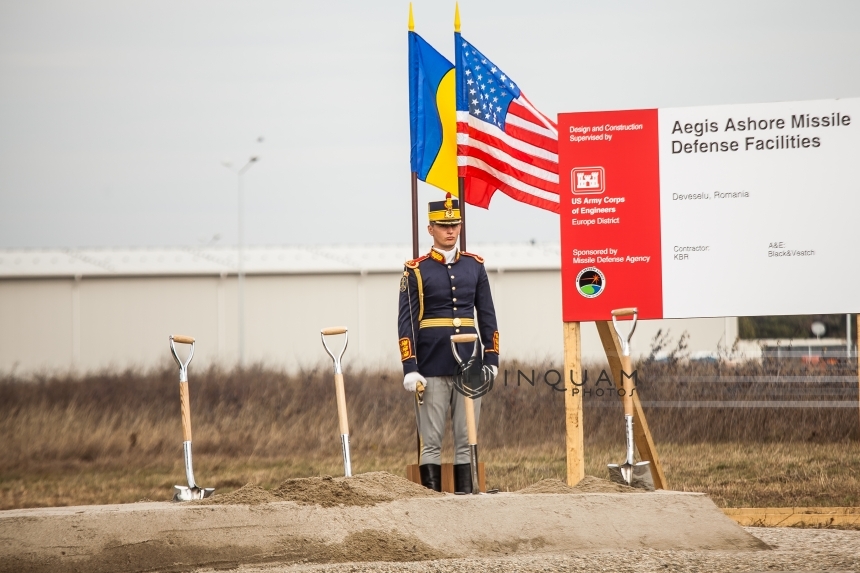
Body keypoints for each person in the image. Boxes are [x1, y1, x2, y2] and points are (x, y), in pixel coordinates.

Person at [397, 193, 499, 493]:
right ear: (431, 229)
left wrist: (491, 360)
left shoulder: (475, 266)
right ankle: (432, 502)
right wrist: (410, 367)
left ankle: (466, 499)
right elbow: (406, 322)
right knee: (431, 441)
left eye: (455, 224)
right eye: (443, 226)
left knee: (467, 439)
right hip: (431, 363)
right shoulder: (416, 269)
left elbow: (488, 317)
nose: (450, 230)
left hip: (470, 364)